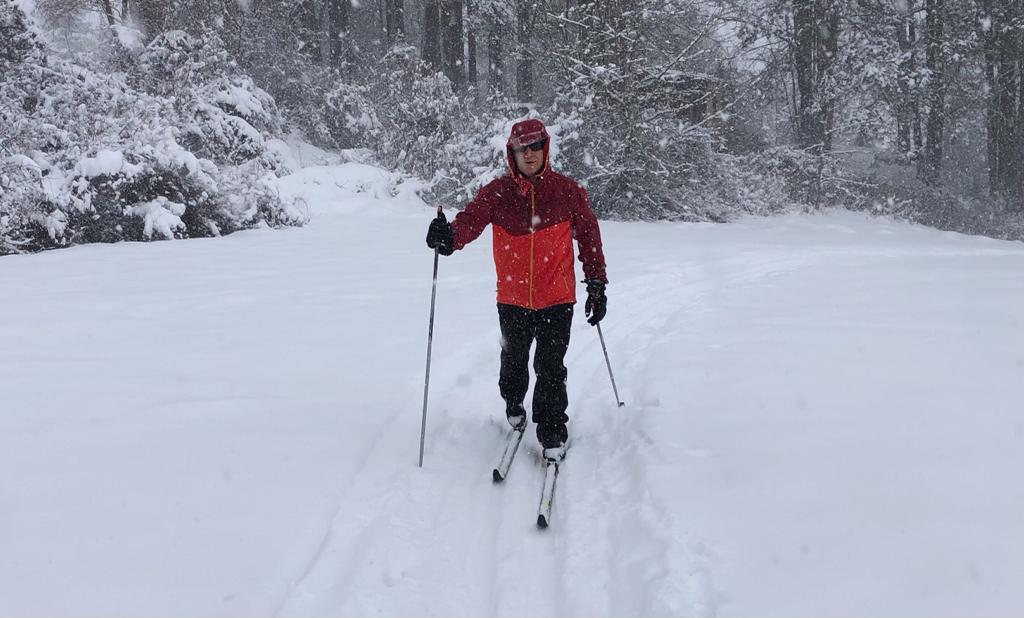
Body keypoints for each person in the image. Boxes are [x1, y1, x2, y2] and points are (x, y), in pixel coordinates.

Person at [425, 118, 608, 463]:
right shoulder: (497, 193)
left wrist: (596, 283)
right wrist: (448, 237)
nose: (529, 154)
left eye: (535, 147)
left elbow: (589, 237)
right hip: (513, 298)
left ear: (545, 149)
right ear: (512, 152)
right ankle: (512, 399)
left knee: (551, 366)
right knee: (514, 360)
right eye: (522, 148)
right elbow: (469, 222)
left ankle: (552, 429)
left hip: (557, 297)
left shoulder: (567, 191)